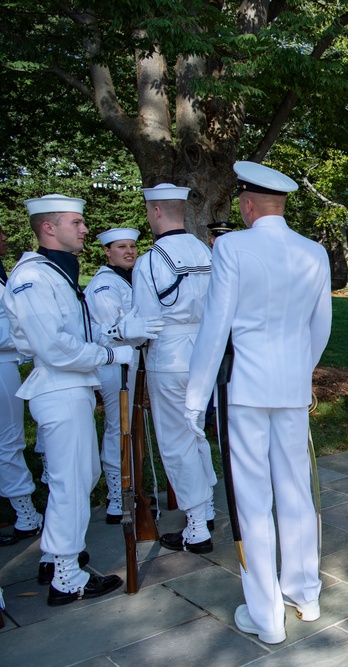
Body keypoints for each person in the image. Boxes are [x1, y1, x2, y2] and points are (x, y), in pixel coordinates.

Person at [185, 161, 332, 645]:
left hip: (244, 390)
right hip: (289, 389)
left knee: (252, 499)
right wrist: (297, 372)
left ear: (248, 205)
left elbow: (215, 327)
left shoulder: (231, 246)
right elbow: (321, 326)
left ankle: (267, 614)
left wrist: (195, 396)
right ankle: (305, 593)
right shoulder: (313, 251)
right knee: (295, 491)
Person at [1, 194, 162, 605]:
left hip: (71, 387)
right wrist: (111, 353)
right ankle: (67, 577)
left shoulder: (57, 273)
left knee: (78, 476)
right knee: (71, 483)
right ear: (48, 228)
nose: (86, 229)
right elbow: (54, 347)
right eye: (77, 222)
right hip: (58, 386)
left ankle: (56, 556)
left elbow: (79, 333)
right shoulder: (34, 277)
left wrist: (118, 334)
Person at [132, 183, 218, 554]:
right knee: (196, 433)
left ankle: (196, 526)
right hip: (203, 353)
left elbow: (145, 323)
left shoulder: (150, 259)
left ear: (155, 212)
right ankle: (207, 507)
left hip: (168, 357)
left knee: (176, 441)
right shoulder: (205, 251)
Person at [84, 227, 141, 524]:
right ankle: (117, 497)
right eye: (121, 247)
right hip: (114, 364)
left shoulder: (129, 278)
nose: (129, 251)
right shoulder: (105, 284)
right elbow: (114, 328)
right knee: (117, 428)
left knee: (130, 428)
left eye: (132, 246)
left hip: (131, 362)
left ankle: (131, 488)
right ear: (107, 252)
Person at [0, 219, 46, 547]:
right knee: (9, 440)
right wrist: (30, 336)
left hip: (8, 360)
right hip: (3, 361)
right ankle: (25, 513)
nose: (4, 237)